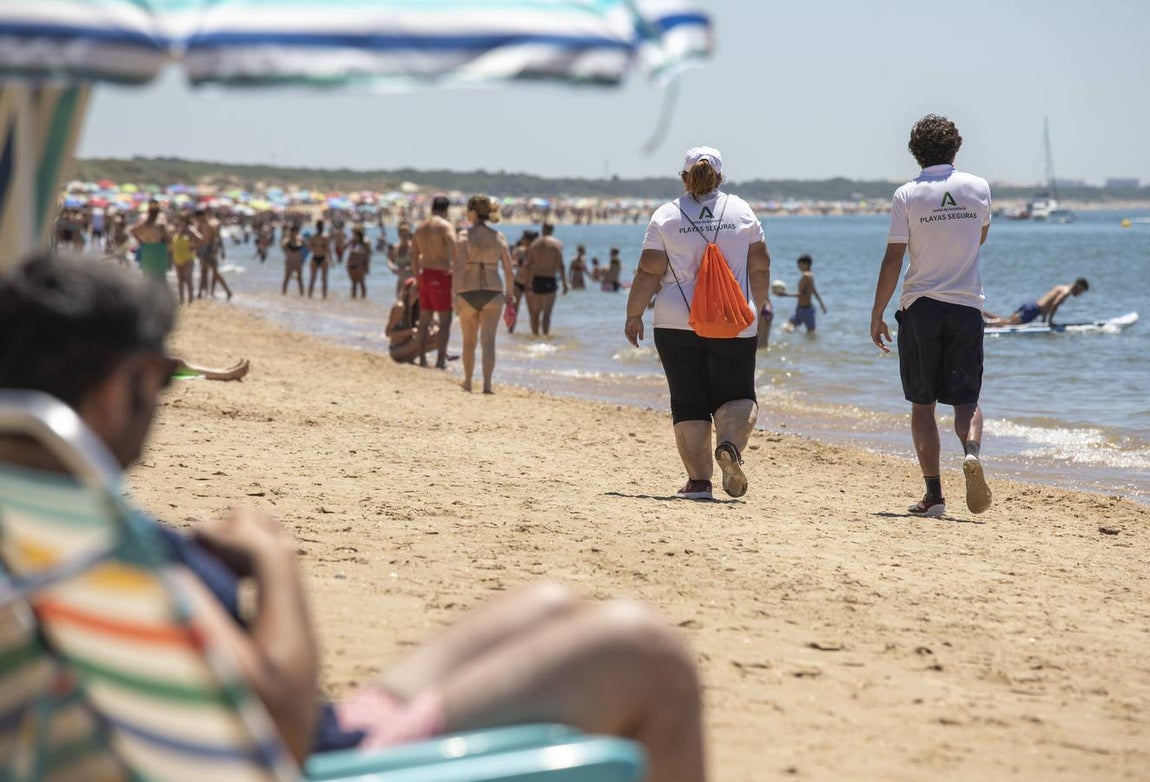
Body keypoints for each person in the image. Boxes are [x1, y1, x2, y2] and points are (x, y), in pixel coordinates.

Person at [0, 253, 706, 782]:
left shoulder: (43, 516)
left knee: (551, 603)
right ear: (122, 388)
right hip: (317, 754)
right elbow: (280, 728)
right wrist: (273, 560)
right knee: (649, 653)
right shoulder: (105, 550)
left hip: (314, 725)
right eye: (160, 379)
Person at [624, 146, 771, 501]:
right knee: (737, 393)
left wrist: (634, 313)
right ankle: (730, 446)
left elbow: (649, 270)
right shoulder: (741, 210)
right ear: (719, 176)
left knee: (688, 400)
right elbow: (761, 264)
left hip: (675, 319)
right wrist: (757, 305)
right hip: (733, 318)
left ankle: (699, 483)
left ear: (684, 177)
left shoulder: (666, 215)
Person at [870, 114, 993, 517]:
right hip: (966, 305)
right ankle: (971, 453)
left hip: (921, 307)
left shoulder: (906, 195)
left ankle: (934, 495)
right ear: (955, 147)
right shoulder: (979, 188)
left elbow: (893, 259)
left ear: (915, 151)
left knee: (923, 405)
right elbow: (980, 238)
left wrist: (878, 312)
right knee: (966, 400)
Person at [453, 195, 516, 394]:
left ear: (472, 212)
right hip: (493, 291)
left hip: (468, 291)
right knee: (488, 341)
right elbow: (508, 269)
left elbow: (459, 269)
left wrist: (454, 295)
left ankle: (469, 381)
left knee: (469, 341)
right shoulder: (499, 237)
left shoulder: (463, 236)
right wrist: (510, 294)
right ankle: (487, 385)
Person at [410, 196, 456, 368]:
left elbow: (413, 255)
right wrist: (456, 269)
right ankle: (440, 361)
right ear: (446, 209)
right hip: (441, 275)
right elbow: (456, 246)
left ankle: (422, 359)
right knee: (445, 319)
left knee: (425, 318)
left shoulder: (420, 227)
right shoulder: (445, 226)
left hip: (425, 274)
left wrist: (417, 277)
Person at [983, 278, 1089, 327]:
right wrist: (1050, 321)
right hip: (1034, 310)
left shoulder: (1061, 287)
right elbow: (1054, 304)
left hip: (1031, 305)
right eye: (1081, 291)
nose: (1080, 294)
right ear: (1079, 286)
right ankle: (985, 323)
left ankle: (982, 312)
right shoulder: (1066, 292)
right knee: (1010, 324)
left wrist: (1043, 320)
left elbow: (1047, 303)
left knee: (1006, 321)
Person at [522, 223, 567, 337]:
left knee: (535, 313)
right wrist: (565, 283)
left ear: (542, 230)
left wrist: (527, 281)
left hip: (537, 279)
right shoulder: (557, 244)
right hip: (550, 279)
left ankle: (535, 336)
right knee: (547, 313)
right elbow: (561, 265)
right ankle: (545, 337)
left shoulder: (535, 244)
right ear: (552, 230)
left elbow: (528, 264)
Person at [779, 254, 826, 333]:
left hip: (804, 310)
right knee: (811, 333)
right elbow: (814, 292)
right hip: (807, 309)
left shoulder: (805, 276)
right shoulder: (811, 276)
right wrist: (822, 305)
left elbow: (801, 294)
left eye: (799, 264)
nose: (798, 267)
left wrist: (785, 294)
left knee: (787, 328)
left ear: (806, 264)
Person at [193, 208, 233, 301]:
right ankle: (201, 292)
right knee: (204, 271)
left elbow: (217, 239)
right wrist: (197, 249)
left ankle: (224, 291)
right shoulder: (201, 224)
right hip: (204, 248)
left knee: (214, 272)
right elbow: (199, 237)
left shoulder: (213, 223)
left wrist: (220, 251)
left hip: (210, 248)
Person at [130, 200, 171, 281]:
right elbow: (133, 231)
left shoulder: (155, 220)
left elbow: (133, 231)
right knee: (153, 277)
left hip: (153, 248)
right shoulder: (150, 220)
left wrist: (141, 240)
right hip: (153, 248)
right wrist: (140, 240)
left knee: (154, 276)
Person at [169, 214, 202, 305]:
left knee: (188, 279)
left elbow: (200, 238)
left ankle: (190, 299)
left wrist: (194, 247)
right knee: (180, 280)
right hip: (177, 257)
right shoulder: (178, 231)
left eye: (181, 220)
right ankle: (181, 299)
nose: (179, 222)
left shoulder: (190, 230)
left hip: (188, 258)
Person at [387, 221, 414, 300]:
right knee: (400, 304)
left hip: (412, 279)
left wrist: (410, 267)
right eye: (402, 235)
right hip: (401, 279)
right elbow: (389, 260)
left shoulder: (413, 247)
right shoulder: (394, 248)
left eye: (406, 234)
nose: (405, 237)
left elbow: (420, 260)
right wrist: (392, 267)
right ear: (399, 235)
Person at [307, 219, 332, 299]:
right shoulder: (313, 236)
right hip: (315, 257)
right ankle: (309, 296)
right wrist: (317, 247)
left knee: (324, 279)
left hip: (323, 258)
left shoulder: (325, 236)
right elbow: (309, 247)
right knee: (312, 278)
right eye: (319, 226)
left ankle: (324, 296)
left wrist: (331, 260)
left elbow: (328, 249)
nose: (320, 227)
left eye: (321, 226)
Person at [345, 227, 372, 299]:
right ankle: (353, 300)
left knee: (362, 282)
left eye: (354, 232)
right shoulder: (351, 241)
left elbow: (368, 254)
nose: (353, 234)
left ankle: (363, 299)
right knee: (353, 284)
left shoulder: (365, 242)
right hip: (350, 264)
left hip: (360, 265)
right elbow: (343, 247)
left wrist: (367, 266)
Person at [281, 223, 306, 295]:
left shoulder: (300, 239)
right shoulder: (287, 239)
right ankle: (284, 294)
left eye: (297, 231)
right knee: (287, 278)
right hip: (290, 261)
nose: (296, 233)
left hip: (298, 262)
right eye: (295, 231)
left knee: (300, 279)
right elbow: (283, 247)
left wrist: (303, 258)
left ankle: (302, 295)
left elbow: (309, 247)